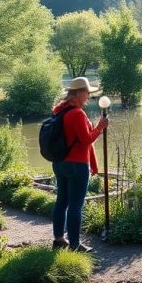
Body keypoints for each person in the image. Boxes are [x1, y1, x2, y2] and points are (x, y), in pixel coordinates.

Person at [50, 77, 107, 252]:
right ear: (79, 93)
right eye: (87, 93)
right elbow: (86, 140)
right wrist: (99, 127)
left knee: (62, 202)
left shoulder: (60, 111)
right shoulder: (77, 113)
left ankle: (59, 239)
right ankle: (75, 244)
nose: (89, 96)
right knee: (76, 204)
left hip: (60, 162)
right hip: (77, 165)